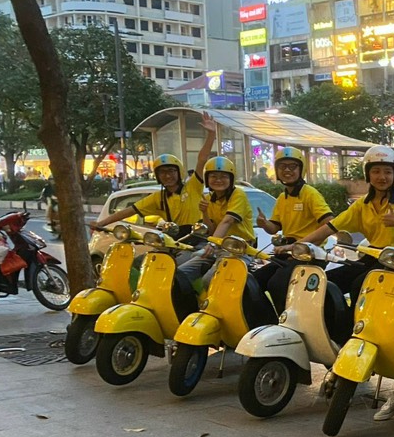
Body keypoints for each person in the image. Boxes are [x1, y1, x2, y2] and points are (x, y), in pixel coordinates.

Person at [294, 145, 394, 421]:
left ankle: (360, 339)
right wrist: (300, 244)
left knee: (359, 287)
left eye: (388, 171)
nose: (382, 177)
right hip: (370, 259)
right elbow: (331, 227)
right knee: (325, 284)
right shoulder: (363, 204)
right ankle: (343, 339)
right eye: (377, 171)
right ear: (368, 175)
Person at [91, 114, 216, 233]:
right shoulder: (157, 198)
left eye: (171, 171)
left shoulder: (193, 186)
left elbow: (202, 159)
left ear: (179, 172)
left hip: (198, 239)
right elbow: (129, 211)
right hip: (176, 242)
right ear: (157, 175)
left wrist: (211, 134)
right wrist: (101, 223)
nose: (167, 176)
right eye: (162, 172)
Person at [253, 147, 333, 312]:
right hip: (288, 252)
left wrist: (308, 247)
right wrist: (264, 223)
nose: (287, 170)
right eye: (283, 167)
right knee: (255, 280)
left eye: (292, 166)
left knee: (277, 284)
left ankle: (290, 322)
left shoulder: (310, 194)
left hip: (310, 253)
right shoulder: (283, 197)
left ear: (301, 169)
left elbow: (329, 223)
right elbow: (274, 227)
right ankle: (268, 320)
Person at [175, 154, 256, 286]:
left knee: (210, 280)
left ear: (231, 178)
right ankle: (191, 305)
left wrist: (211, 244)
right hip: (218, 248)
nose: (218, 180)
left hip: (239, 250)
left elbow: (228, 221)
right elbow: (211, 230)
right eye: (213, 176)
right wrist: (205, 213)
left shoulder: (238, 194)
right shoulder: (208, 198)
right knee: (181, 274)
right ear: (207, 179)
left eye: (223, 176)